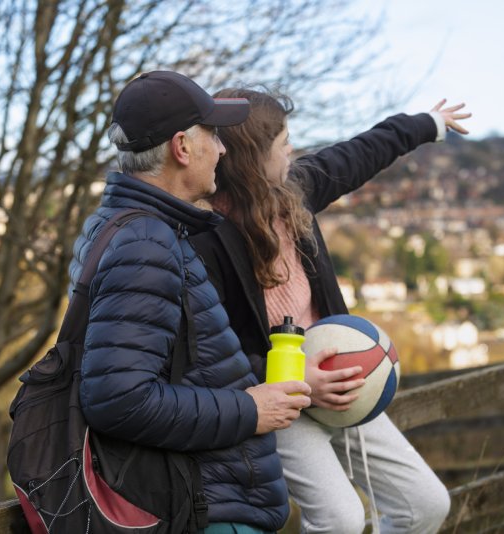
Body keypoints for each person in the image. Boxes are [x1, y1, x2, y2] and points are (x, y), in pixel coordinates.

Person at [191, 88, 471, 533]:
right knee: (340, 520)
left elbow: (356, 155)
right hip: (279, 398)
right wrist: (297, 380)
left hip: (346, 385)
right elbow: (207, 357)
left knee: (426, 504)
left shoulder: (293, 194)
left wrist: (426, 124)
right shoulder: (204, 241)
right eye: (283, 144)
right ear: (252, 160)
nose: (292, 150)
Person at [68, 71, 312, 533]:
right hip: (202, 507)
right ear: (182, 148)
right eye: (214, 136)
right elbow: (119, 398)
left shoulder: (123, 226)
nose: (222, 149)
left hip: (202, 498)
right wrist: (251, 409)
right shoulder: (146, 243)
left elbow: (170, 365)